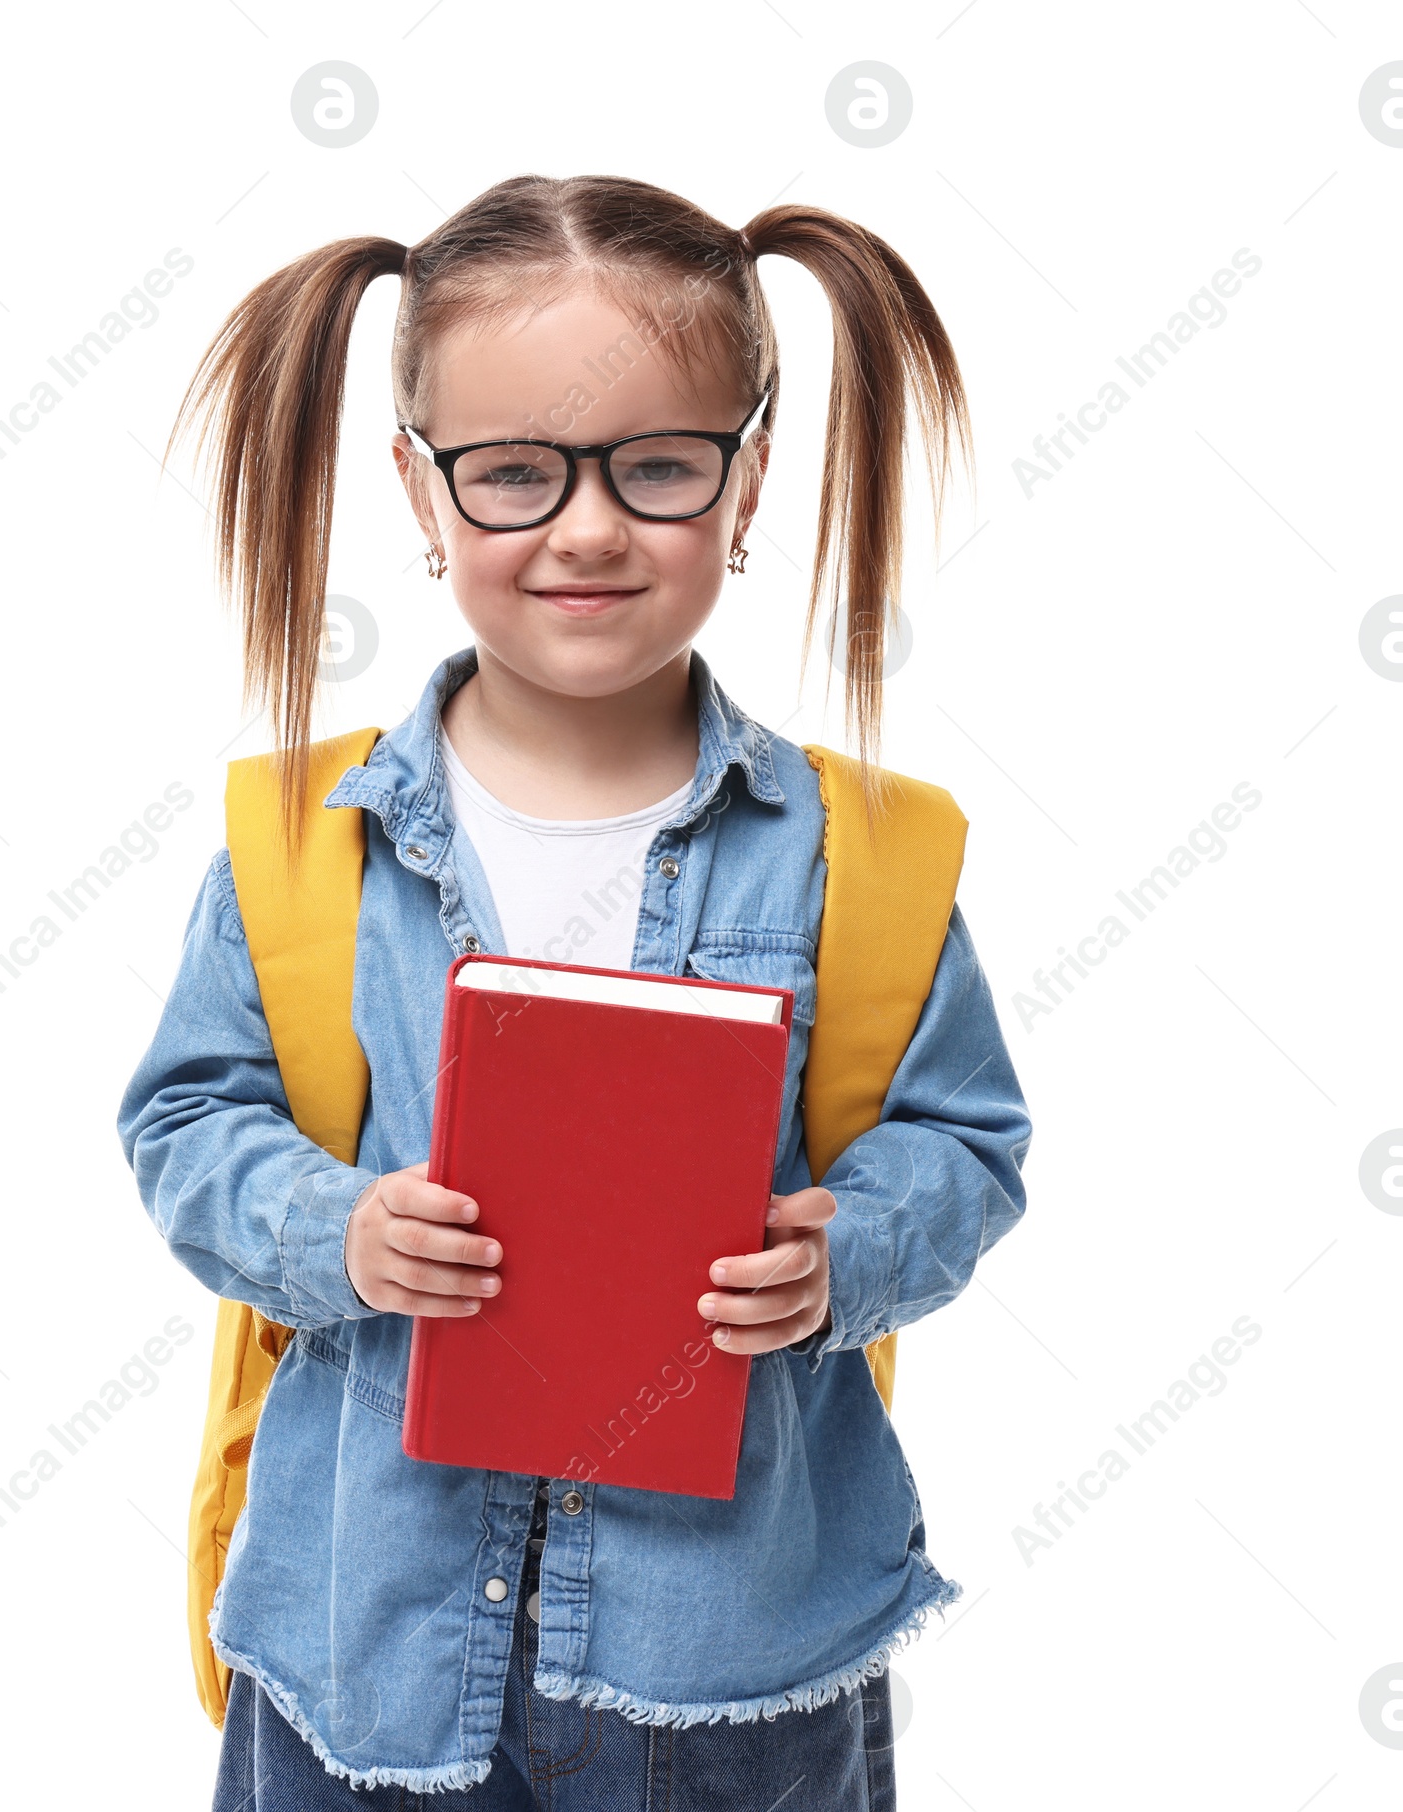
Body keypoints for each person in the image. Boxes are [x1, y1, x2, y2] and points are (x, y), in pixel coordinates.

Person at [118, 172, 1032, 1810]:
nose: (590, 528)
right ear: (421, 489)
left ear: (750, 480)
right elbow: (189, 1124)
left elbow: (964, 1145)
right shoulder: (295, 844)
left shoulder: (859, 859)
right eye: (517, 475)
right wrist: (335, 1230)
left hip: (737, 1665)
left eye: (661, 468)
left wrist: (849, 1246)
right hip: (363, 1654)